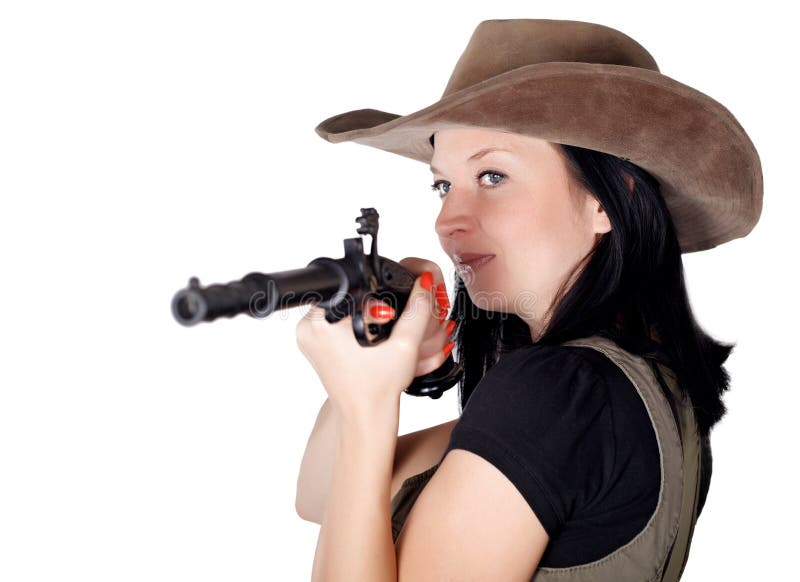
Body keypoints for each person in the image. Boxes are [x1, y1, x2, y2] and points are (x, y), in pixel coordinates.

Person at [297, 18, 763, 581]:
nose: (447, 220)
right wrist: (376, 364)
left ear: (607, 203)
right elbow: (323, 496)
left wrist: (365, 405)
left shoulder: (557, 394)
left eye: (492, 176)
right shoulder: (613, 392)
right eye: (443, 185)